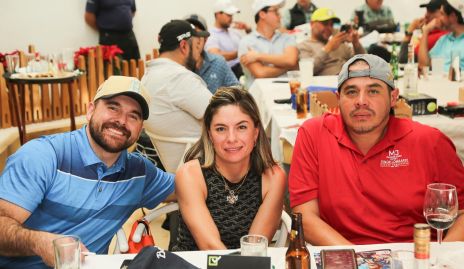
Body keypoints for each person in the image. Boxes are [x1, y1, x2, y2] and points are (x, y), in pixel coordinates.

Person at [0, 76, 175, 268]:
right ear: (90, 110)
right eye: (113, 108)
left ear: (140, 128)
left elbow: (188, 188)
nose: (121, 121)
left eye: (133, 116)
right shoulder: (43, 156)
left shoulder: (139, 173)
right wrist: (38, 242)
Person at [289, 54, 464, 245]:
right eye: (351, 92)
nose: (361, 101)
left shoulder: (430, 142)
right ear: (338, 99)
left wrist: (440, 259)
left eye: (373, 91)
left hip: (415, 256)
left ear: (393, 98)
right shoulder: (314, 134)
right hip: (341, 256)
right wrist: (359, 261)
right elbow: (304, 218)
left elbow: (461, 213)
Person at [172, 86, 286, 251]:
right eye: (221, 129)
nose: (231, 138)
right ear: (210, 135)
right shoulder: (190, 175)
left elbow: (254, 248)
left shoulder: (273, 177)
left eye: (241, 127)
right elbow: (211, 247)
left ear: (256, 132)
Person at [142, 20, 212, 173]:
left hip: (180, 166)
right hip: (205, 168)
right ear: (184, 46)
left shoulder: (149, 76)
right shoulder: (179, 78)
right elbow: (222, 117)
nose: (199, 51)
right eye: (197, 45)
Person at [239, 0, 299, 88]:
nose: (280, 16)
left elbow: (290, 60)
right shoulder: (246, 42)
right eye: (275, 11)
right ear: (262, 14)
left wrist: (258, 56)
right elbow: (260, 73)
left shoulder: (287, 38)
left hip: (288, 92)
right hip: (259, 97)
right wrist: (288, 66)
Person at [297, 8, 365, 76]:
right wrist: (327, 49)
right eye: (325, 23)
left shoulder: (339, 43)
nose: (329, 28)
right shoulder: (304, 46)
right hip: (327, 84)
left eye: (331, 25)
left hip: (350, 79)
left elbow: (363, 63)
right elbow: (307, 71)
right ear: (312, 24)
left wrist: (356, 43)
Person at [185, 14, 240, 94]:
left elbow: (238, 90)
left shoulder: (218, 62)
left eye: (197, 34)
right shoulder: (176, 67)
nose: (192, 40)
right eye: (188, 35)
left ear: (206, 39)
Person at [205, 0, 252, 80]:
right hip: (230, 73)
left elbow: (251, 46)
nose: (231, 18)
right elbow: (215, 55)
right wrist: (241, 52)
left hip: (245, 68)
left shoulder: (234, 31)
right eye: (228, 15)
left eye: (232, 15)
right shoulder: (211, 35)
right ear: (218, 14)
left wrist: (248, 30)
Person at [418, 0, 464, 72]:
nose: (438, 19)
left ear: (452, 17)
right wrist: (425, 31)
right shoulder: (443, 39)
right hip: (436, 81)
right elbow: (424, 66)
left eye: (442, 14)